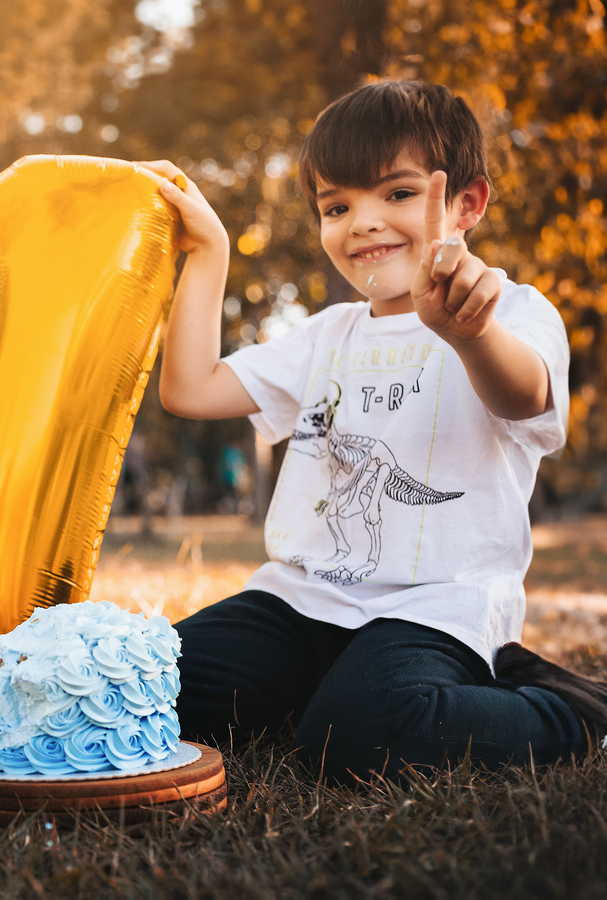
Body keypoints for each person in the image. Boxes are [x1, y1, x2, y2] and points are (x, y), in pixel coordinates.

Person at [141, 80, 606, 784]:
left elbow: (525, 398)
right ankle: (317, 692)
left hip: (432, 612)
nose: (362, 222)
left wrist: (471, 334)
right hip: (298, 603)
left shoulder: (509, 311)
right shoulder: (325, 334)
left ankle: (576, 713)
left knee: (360, 737)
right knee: (142, 688)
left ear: (467, 203)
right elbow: (190, 389)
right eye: (337, 206)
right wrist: (209, 251)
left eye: (397, 193)